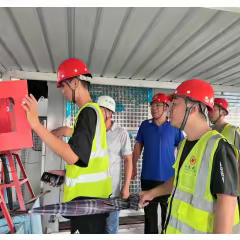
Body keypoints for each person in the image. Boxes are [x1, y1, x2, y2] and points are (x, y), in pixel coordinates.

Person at [22, 58, 112, 234]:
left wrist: (36, 125)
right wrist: (66, 173)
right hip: (92, 203)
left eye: (63, 85)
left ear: (76, 82)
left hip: (88, 205)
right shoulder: (91, 112)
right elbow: (87, 160)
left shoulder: (88, 112)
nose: (62, 90)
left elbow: (73, 156)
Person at [139, 79, 240, 234]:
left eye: (175, 103)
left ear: (192, 108)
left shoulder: (220, 149)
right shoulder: (184, 144)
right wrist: (151, 193)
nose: (170, 109)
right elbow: (179, 181)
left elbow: (227, 205)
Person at [132, 93, 184, 234]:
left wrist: (182, 170)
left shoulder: (174, 127)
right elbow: (138, 146)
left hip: (169, 178)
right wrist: (133, 166)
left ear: (166, 107)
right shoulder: (145, 125)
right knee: (150, 217)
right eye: (152, 105)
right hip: (148, 177)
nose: (154, 108)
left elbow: (182, 148)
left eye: (158, 105)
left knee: (168, 215)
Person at [96, 95, 132, 234]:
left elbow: (128, 160)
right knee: (95, 228)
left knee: (111, 228)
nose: (98, 113)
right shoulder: (93, 132)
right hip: (94, 190)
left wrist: (126, 186)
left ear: (110, 113)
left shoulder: (121, 133)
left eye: (102, 110)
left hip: (113, 191)